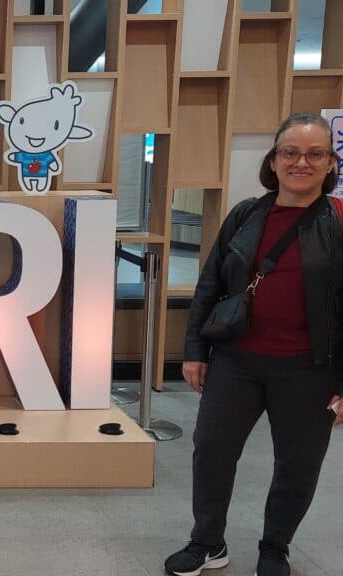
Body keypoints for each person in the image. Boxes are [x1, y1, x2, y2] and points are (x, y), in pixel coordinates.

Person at [165, 112, 343, 576]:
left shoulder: (339, 222)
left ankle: (275, 547)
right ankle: (207, 542)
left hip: (311, 370)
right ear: (274, 160)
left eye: (314, 154)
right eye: (290, 152)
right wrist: (193, 350)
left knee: (297, 464)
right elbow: (210, 284)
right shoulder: (246, 214)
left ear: (329, 164)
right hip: (236, 361)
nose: (300, 162)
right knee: (212, 451)